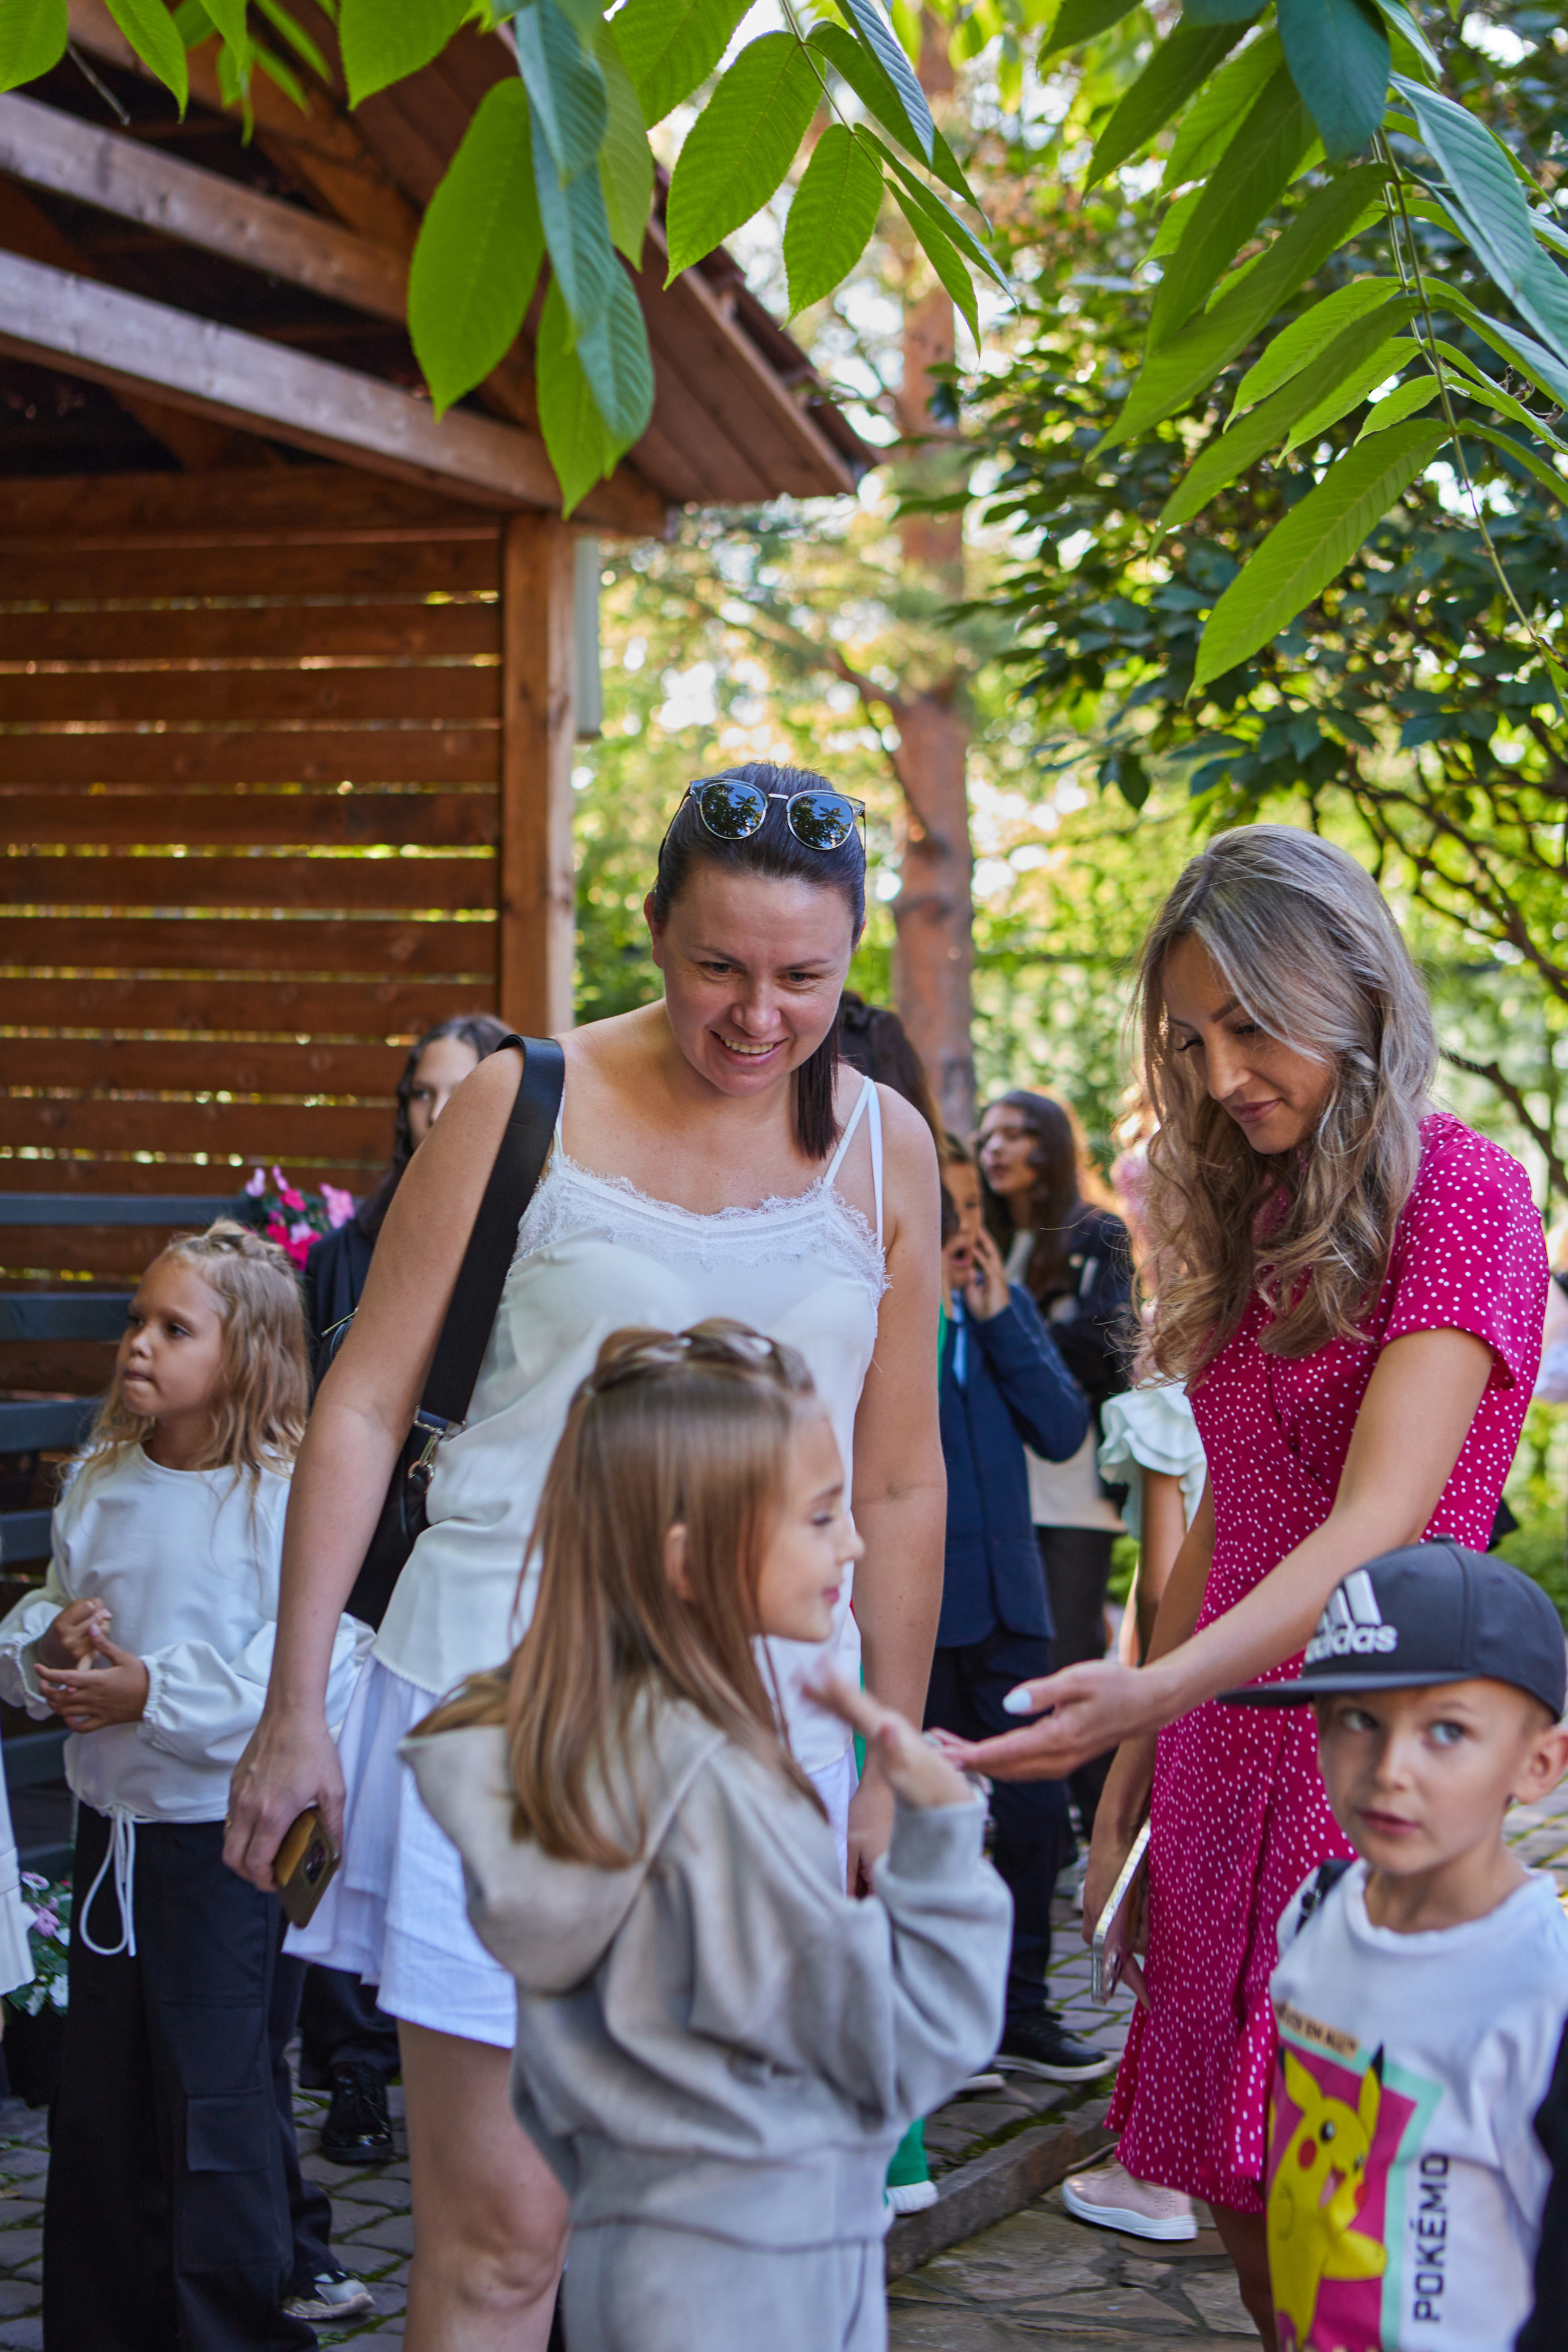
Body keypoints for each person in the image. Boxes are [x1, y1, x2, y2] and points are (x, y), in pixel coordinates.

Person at [224, 763, 944, 2352]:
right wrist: (292, 1709)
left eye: (806, 979)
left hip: (768, 1752)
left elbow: (898, 1482)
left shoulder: (889, 1150)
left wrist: (887, 1755)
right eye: (720, 967)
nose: (760, 1015)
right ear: (652, 931)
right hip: (507, 1713)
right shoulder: (519, 1101)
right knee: (503, 2248)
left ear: (852, 966)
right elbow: (359, 1403)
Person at [951, 827, 1549, 2337]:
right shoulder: (1259, 1206)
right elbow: (1219, 1520)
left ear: (1349, 986)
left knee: (1349, 2225)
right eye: (1189, 1036)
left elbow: (1375, 1522)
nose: (1219, 1073)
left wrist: (1147, 1690)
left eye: (1248, 1023)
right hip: (1221, 1742)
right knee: (1236, 2201)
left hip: (1367, 1748)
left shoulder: (1463, 1195)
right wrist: (1130, 1781)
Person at [406, 1321, 1010, 2352]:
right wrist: (944, 1840)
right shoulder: (721, 1799)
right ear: (695, 1557)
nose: (854, 1544)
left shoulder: (579, 1757)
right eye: (822, 1518)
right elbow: (906, 2047)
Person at [0, 1223, 369, 2348]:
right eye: (134, 1322)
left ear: (249, 1353)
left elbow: (311, 1665)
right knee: (101, 2109)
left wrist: (151, 1690)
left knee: (215, 2106)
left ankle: (228, 2328)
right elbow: (48, 1607)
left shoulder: (286, 1500)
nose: (139, 1348)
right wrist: (46, 1649)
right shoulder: (102, 1482)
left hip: (225, 1851)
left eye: (175, 1329)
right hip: (111, 1846)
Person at [1223, 1541, 1568, 2352]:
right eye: (1358, 1720)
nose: (1388, 1770)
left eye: (1446, 1730)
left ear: (1541, 1762)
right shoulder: (1314, 1913)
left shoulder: (1546, 1992)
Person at [299, 1011, 508, 2167]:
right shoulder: (350, 1243)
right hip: (373, 1561)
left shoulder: (536, 1224)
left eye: (462, 1093)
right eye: (424, 1096)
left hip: (470, 1575)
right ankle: (352, 2077)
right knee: (357, 1831)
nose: (440, 1116)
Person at [933, 1140, 1110, 2084]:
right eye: (945, 1209)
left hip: (1014, 1602)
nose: (964, 1230)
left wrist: (1001, 1320)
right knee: (938, 1824)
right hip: (924, 1611)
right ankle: (942, 2026)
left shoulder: (995, 1310)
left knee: (1039, 1814)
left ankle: (1022, 2012)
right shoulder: (884, 1313)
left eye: (971, 1208)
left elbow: (1062, 1427)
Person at [978, 1088, 1134, 1837]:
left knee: (1070, 1654)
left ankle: (1105, 1822)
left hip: (1072, 1492)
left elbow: (1114, 1347)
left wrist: (1014, 1330)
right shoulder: (979, 1237)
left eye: (1012, 1134)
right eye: (986, 1137)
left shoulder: (1097, 1235)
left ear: (1049, 1143)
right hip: (997, 1489)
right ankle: (1040, 1823)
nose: (994, 1150)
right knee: (1015, 1659)